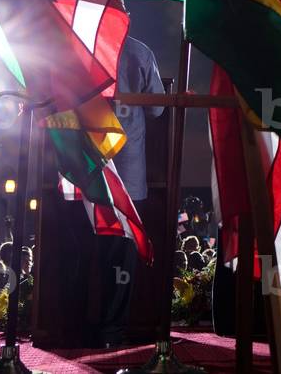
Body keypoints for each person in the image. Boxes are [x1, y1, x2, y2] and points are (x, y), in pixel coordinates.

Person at [98, 34, 164, 348]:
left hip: (91, 170)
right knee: (122, 259)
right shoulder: (140, 51)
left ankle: (86, 327)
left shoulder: (88, 44)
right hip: (129, 174)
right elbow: (158, 110)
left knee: (94, 252)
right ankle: (113, 331)